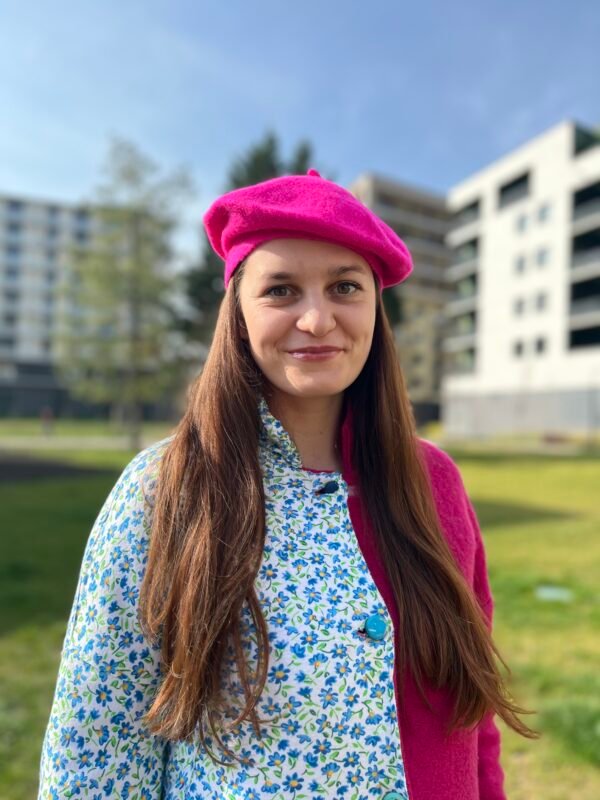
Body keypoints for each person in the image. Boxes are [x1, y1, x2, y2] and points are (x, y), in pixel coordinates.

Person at [38, 169, 535, 800]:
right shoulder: (165, 489)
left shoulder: (435, 481)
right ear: (238, 314)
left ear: (375, 310)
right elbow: (97, 749)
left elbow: (472, 713)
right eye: (281, 291)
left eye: (345, 287)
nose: (317, 318)